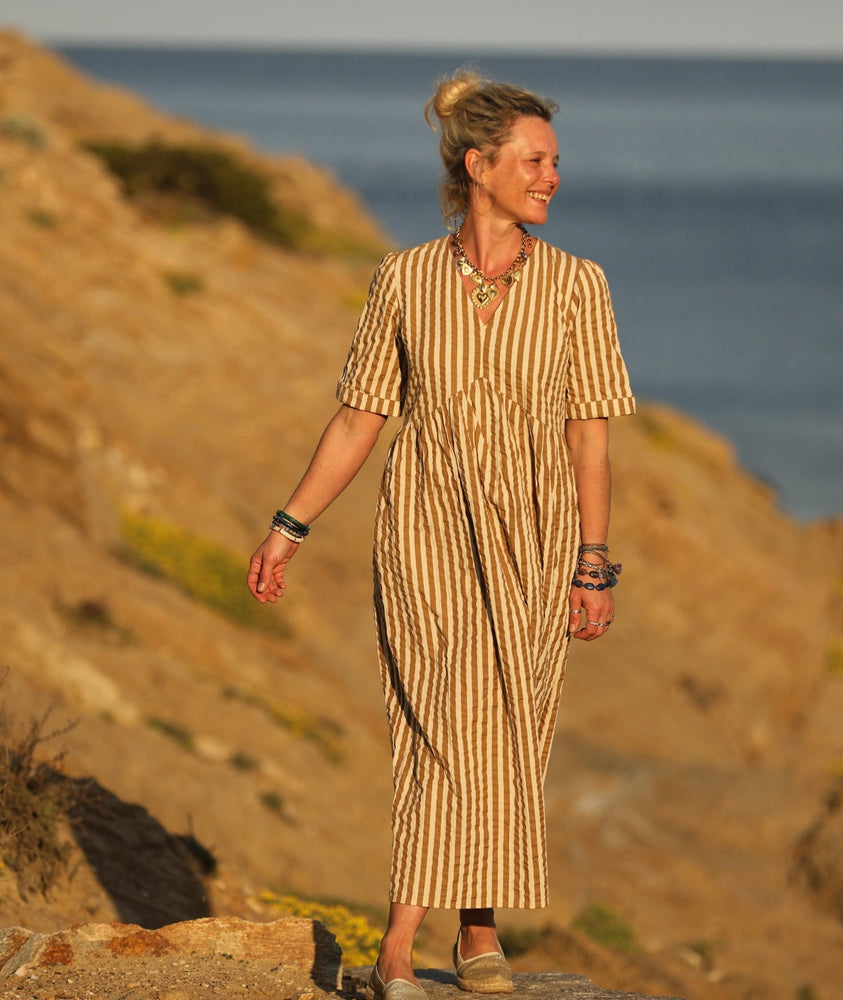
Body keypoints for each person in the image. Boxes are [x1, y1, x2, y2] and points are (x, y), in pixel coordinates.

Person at [247, 69, 635, 1000]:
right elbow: (359, 418)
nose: (551, 177)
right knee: (443, 721)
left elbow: (589, 435)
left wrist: (593, 562)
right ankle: (398, 946)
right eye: (534, 161)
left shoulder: (578, 286)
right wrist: (289, 526)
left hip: (536, 538)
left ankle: (477, 929)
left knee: (509, 727)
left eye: (555, 162)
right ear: (478, 165)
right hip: (423, 526)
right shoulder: (404, 278)